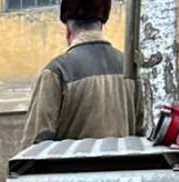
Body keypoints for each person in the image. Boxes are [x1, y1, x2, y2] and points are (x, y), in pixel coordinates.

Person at [21, 0, 142, 147]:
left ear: (68, 31)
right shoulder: (130, 67)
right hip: (126, 168)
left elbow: (35, 144)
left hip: (74, 169)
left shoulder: (56, 71)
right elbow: (141, 132)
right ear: (101, 25)